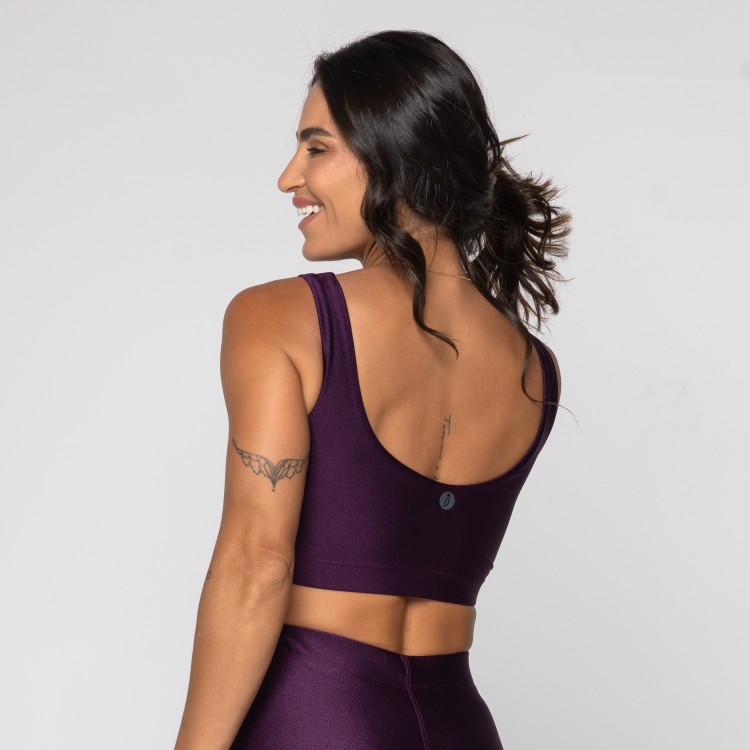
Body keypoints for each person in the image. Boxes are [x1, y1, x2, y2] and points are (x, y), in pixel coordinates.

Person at [173, 29, 572, 750]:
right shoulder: (531, 367)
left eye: (317, 148)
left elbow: (258, 564)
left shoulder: (282, 319)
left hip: (316, 716)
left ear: (394, 153)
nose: (289, 177)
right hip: (459, 724)